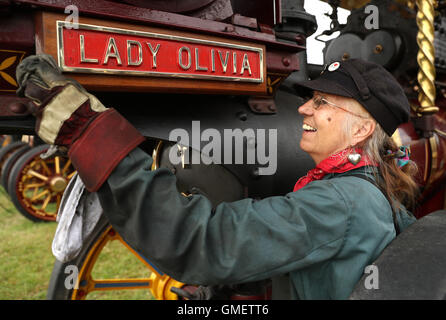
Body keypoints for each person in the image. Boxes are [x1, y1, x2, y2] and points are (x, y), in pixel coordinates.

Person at [16, 55, 418, 299]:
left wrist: (89, 132)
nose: (303, 110)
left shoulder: (340, 203)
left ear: (363, 130)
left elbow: (204, 241)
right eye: (310, 99)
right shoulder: (366, 187)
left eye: (322, 102)